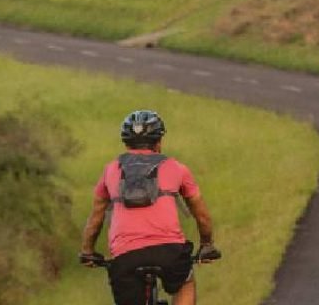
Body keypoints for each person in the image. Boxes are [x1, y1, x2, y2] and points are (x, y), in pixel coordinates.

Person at [80, 110, 220, 305]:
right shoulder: (177, 168)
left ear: (126, 143)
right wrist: (207, 244)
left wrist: (88, 251)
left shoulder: (110, 170)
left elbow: (96, 218)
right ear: (159, 141)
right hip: (170, 252)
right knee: (184, 282)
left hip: (125, 256)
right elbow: (202, 216)